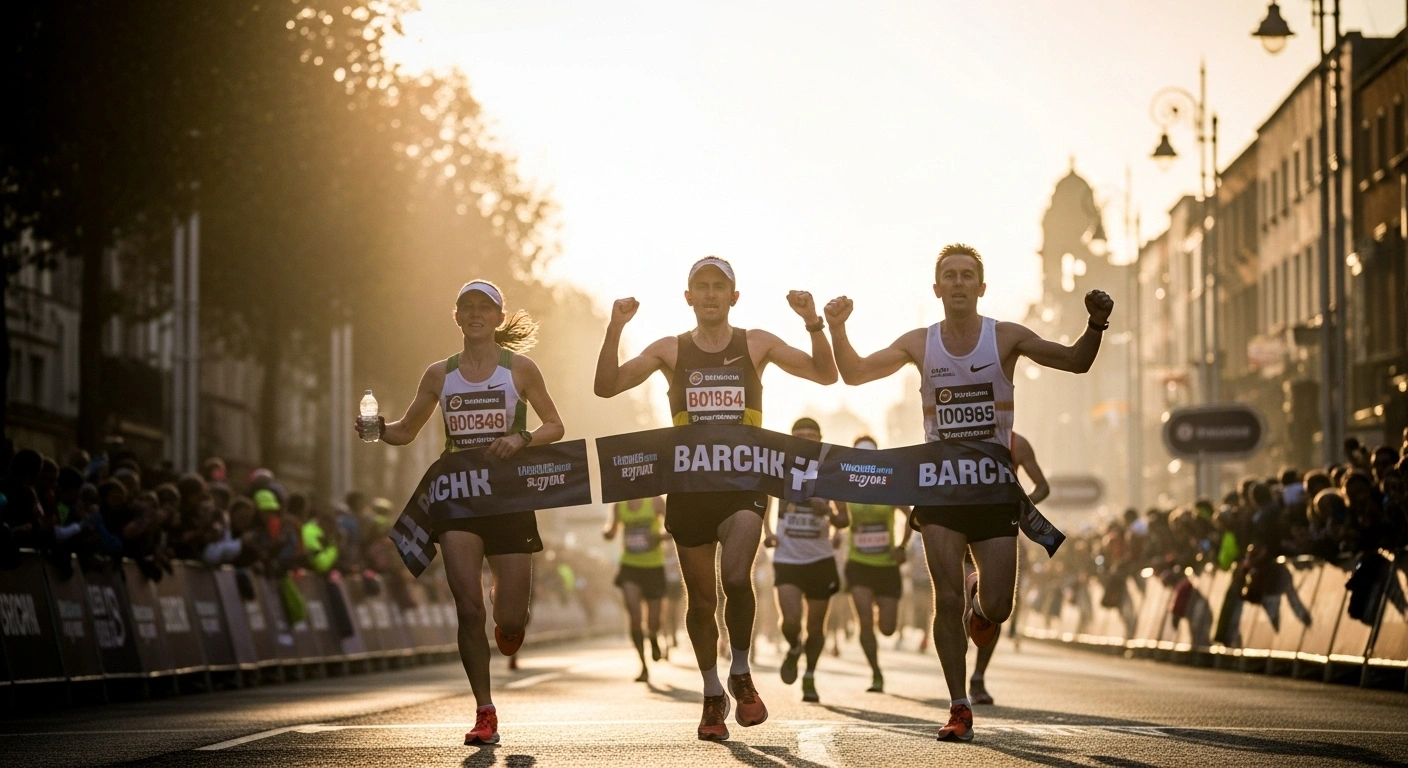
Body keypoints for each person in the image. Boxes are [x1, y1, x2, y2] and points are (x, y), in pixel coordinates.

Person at [825, 243, 1112, 742]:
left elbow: (1075, 362)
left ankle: (982, 604)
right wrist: (837, 327)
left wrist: (1096, 324)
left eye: (967, 276)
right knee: (946, 594)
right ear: (937, 289)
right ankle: (958, 706)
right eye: (949, 276)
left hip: (994, 489)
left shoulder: (1005, 338)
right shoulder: (921, 343)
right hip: (938, 490)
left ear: (982, 286)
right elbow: (855, 374)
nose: (958, 283)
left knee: (998, 607)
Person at [594, 256, 838, 741]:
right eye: (700, 287)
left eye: (718, 287)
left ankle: (741, 671)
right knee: (702, 599)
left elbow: (825, 375)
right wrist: (614, 328)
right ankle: (711, 692)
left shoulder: (756, 342)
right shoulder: (670, 349)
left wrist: (813, 323)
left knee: (735, 576)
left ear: (734, 296)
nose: (709, 294)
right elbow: (606, 387)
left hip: (744, 487)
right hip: (687, 490)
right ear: (688, 297)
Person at [356, 279, 565, 746]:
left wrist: (521, 438)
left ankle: (505, 613)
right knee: (467, 607)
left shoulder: (520, 369)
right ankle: (484, 711)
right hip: (458, 495)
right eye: (467, 308)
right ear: (457, 318)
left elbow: (555, 424)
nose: (475, 314)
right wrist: (376, 428)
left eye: (484, 308)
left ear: (496, 317)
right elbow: (407, 430)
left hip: (509, 499)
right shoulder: (439, 374)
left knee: (509, 621)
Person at [763, 417, 849, 703]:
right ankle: (793, 647)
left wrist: (826, 512)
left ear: (820, 439)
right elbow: (763, 500)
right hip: (787, 557)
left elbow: (844, 519)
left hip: (820, 559)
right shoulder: (780, 470)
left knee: (815, 627)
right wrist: (768, 532)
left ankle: (810, 676)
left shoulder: (830, 474)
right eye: (799, 436)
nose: (805, 441)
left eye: (810, 436)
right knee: (790, 621)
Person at [967, 430, 1049, 706]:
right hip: (960, 529)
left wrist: (1018, 508)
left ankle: (977, 677)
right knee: (955, 608)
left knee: (995, 608)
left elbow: (1042, 487)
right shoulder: (956, 436)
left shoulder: (1017, 443)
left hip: (998, 533)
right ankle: (956, 683)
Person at [843, 435, 912, 694]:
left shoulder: (888, 486)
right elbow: (838, 513)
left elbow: (909, 514)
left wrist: (902, 546)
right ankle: (875, 672)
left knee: (887, 628)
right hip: (858, 563)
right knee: (864, 622)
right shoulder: (846, 486)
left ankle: (881, 616)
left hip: (886, 566)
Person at [603, 495, 669, 682]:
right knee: (634, 615)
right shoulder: (619, 504)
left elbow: (673, 529)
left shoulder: (656, 501)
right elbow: (612, 529)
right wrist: (607, 533)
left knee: (654, 620)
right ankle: (643, 666)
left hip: (654, 566)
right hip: (630, 567)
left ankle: (654, 637)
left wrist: (659, 537)